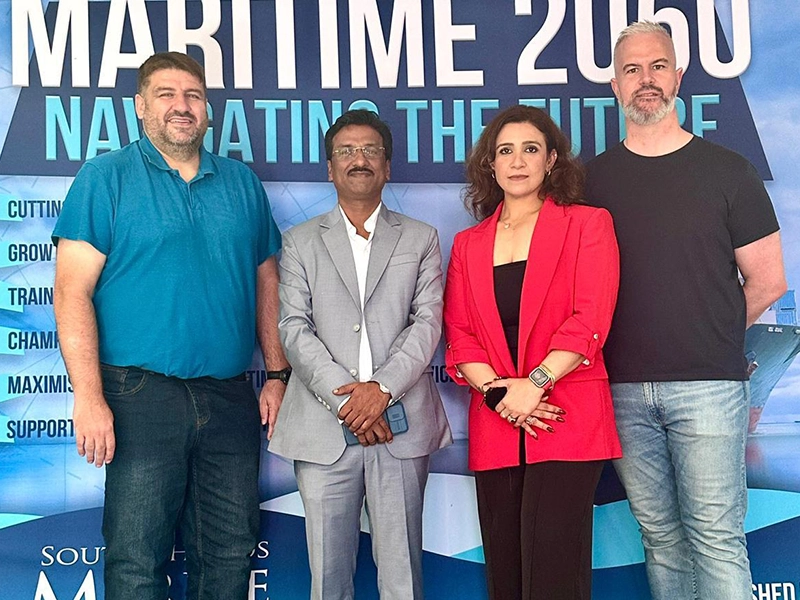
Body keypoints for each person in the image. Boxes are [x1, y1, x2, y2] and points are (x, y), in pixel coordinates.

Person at [52, 52, 289, 600]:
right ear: (140, 106)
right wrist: (88, 397)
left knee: (230, 552)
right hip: (137, 395)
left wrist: (277, 373)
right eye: (166, 94)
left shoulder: (241, 183)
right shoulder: (105, 178)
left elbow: (267, 281)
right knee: (137, 557)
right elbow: (71, 291)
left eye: (193, 96)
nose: (181, 106)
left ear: (207, 109)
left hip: (229, 396)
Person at [585, 21, 788, 600]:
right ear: (616, 87)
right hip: (622, 392)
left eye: (657, 66)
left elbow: (769, 280)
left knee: (717, 539)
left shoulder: (729, 172)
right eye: (632, 69)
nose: (645, 79)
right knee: (660, 539)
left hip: (710, 389)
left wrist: (709, 333)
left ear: (677, 77)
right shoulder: (590, 182)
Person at [268, 109, 452, 600]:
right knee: (328, 579)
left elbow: (428, 323)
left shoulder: (421, 238)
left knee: (402, 578)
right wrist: (350, 402)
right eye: (346, 151)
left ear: (387, 167)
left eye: (371, 150)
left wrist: (382, 391)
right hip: (323, 430)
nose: (359, 159)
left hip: (401, 425)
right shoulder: (299, 242)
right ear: (330, 169)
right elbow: (294, 328)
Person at [443, 104, 622, 600]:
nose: (517, 161)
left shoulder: (588, 224)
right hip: (496, 422)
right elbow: (460, 335)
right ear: (490, 164)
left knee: (554, 579)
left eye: (530, 149)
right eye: (505, 151)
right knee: (505, 578)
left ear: (551, 160)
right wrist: (503, 396)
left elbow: (590, 319)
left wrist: (535, 385)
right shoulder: (467, 245)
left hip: (566, 418)